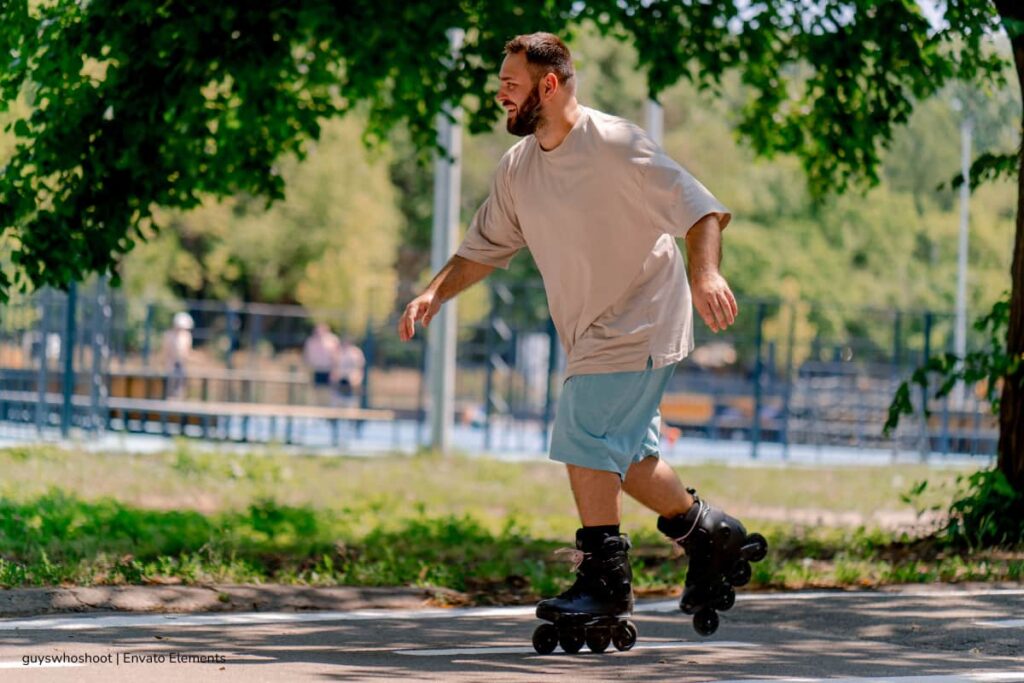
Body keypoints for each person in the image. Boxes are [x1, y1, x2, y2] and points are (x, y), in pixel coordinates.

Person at [397, 33, 766, 647]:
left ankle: (606, 581)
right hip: (591, 325)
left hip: (643, 313)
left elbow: (698, 209)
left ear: (549, 85)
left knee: (584, 432)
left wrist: (706, 272)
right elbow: (482, 249)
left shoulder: (616, 145)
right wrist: (434, 292)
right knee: (627, 461)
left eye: (509, 86)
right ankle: (709, 533)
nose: (499, 96)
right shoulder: (519, 168)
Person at [303, 323, 341, 404]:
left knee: (329, 393)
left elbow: (336, 357)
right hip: (315, 369)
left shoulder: (332, 340)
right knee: (315, 393)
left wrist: (335, 371)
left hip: (328, 370)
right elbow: (307, 356)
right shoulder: (311, 341)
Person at [161, 312, 194, 400]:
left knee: (181, 383)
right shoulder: (169, 335)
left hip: (182, 363)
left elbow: (186, 352)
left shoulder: (187, 336)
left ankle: (179, 398)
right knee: (171, 383)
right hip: (171, 363)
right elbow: (166, 351)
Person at [332, 336, 366, 407]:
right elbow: (334, 366)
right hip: (340, 381)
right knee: (337, 401)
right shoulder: (338, 352)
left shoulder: (356, 352)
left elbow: (360, 367)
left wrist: (358, 379)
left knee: (351, 402)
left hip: (352, 381)